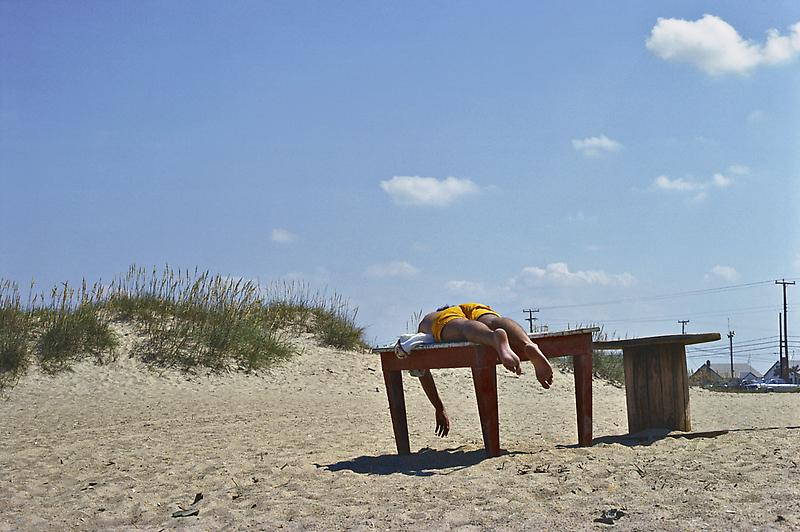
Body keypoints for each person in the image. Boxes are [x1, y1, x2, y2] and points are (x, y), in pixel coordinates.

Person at [413, 302, 554, 438]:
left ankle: (493, 338)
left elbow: (422, 370)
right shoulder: (463, 308)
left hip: (447, 321)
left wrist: (439, 407)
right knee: (494, 321)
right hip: (474, 306)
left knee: (463, 327)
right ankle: (528, 343)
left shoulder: (431, 318)